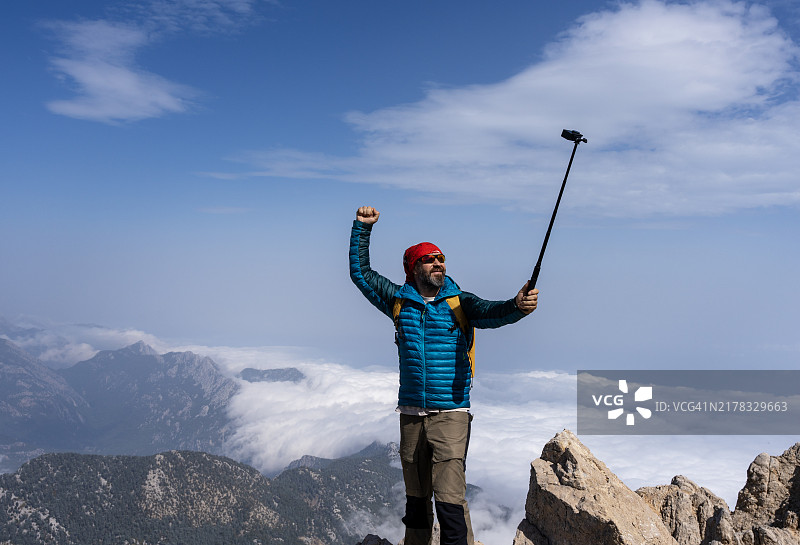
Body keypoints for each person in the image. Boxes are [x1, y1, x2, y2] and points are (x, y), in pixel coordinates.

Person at [349, 205, 538, 545]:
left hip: (451, 412)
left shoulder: (459, 302)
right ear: (413, 268)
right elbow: (361, 274)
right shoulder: (397, 300)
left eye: (441, 258)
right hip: (410, 414)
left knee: (450, 500)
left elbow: (495, 312)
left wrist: (518, 305)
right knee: (417, 501)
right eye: (429, 259)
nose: (439, 263)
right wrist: (363, 228)